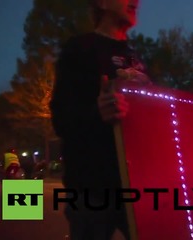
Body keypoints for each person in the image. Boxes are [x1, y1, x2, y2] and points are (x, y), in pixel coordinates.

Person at [49, 0, 150, 239]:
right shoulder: (79, 49)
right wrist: (97, 112)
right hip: (91, 189)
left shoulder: (135, 57)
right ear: (102, 3)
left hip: (138, 185)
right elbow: (61, 119)